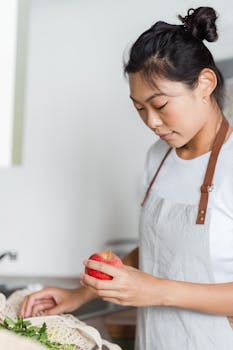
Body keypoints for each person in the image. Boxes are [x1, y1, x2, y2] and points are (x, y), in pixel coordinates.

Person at [21, 6, 233, 349]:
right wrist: (81, 294)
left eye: (160, 104)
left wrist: (157, 291)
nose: (151, 121)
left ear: (205, 84)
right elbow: (159, 247)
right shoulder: (157, 157)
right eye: (139, 108)